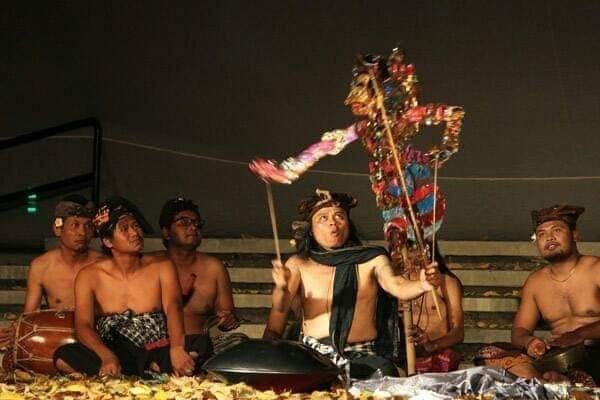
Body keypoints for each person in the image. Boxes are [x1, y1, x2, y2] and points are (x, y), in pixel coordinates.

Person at [263, 189, 441, 379]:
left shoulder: (372, 259)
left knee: (386, 373)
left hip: (363, 357)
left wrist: (422, 284)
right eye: (323, 218)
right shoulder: (299, 264)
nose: (333, 222)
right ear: (311, 231)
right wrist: (282, 288)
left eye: (339, 216)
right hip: (314, 358)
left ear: (348, 224)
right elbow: (279, 313)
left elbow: (397, 285)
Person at [53, 196, 199, 377]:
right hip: (116, 351)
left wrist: (176, 348)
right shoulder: (89, 276)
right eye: (124, 228)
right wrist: (107, 356)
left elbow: (173, 307)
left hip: (156, 347)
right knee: (64, 356)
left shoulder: (162, 266)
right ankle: (148, 368)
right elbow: (83, 325)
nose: (135, 233)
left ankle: (144, 367)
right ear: (108, 241)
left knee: (200, 344)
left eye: (136, 226)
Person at [509, 204, 600, 383]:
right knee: (490, 354)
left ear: (575, 235)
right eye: (541, 234)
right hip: (558, 356)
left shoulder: (596, 268)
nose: (549, 237)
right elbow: (519, 331)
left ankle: (558, 381)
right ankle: (557, 381)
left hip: (595, 351)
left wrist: (579, 335)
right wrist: (530, 342)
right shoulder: (535, 282)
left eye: (557, 230)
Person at [0, 195, 101, 347]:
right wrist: (15, 329)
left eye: (88, 226)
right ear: (58, 228)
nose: (82, 232)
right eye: (75, 225)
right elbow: (30, 315)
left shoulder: (102, 264)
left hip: (95, 338)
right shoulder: (41, 266)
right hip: (56, 337)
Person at [150, 197, 244, 357]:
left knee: (239, 342)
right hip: (156, 349)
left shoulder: (214, 268)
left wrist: (227, 320)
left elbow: (226, 318)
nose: (193, 227)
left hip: (199, 348)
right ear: (166, 232)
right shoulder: (150, 263)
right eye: (184, 222)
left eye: (197, 223)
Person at [407, 242, 464, 373]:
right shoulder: (395, 283)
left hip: (436, 354)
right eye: (408, 249)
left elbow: (458, 332)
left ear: (427, 250)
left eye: (415, 248)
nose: (411, 255)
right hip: (405, 355)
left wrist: (431, 345)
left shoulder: (446, 282)